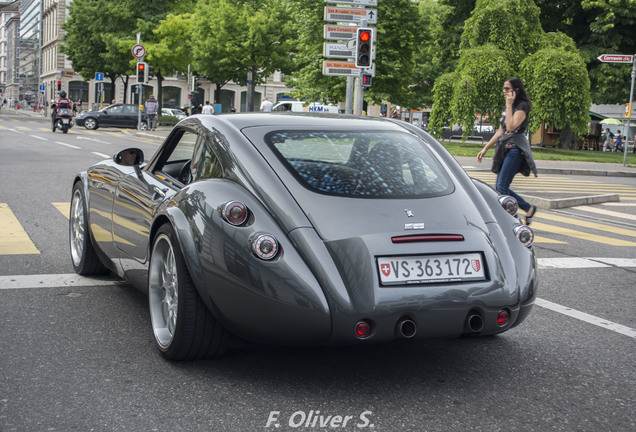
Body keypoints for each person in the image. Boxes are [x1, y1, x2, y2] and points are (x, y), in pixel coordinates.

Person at [477, 77, 538, 225]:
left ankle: (510, 217)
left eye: (507, 88)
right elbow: (501, 131)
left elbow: (511, 127)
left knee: (502, 186)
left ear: (516, 90)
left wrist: (510, 105)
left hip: (515, 150)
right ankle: (527, 208)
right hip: (503, 150)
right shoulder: (507, 107)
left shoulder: (522, 107)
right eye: (503, 88)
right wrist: (485, 148)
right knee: (500, 187)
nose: (504, 91)